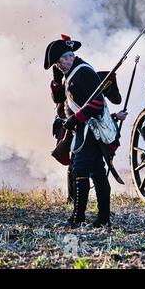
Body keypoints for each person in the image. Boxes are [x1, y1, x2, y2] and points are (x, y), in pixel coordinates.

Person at [45, 35, 116, 228]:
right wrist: (57, 80)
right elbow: (58, 98)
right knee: (96, 172)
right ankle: (102, 218)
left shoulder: (83, 72)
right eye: (57, 65)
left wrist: (75, 119)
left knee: (81, 169)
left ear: (69, 57)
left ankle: (79, 217)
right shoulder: (70, 73)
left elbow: (97, 103)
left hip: (90, 129)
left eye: (59, 63)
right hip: (83, 129)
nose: (59, 66)